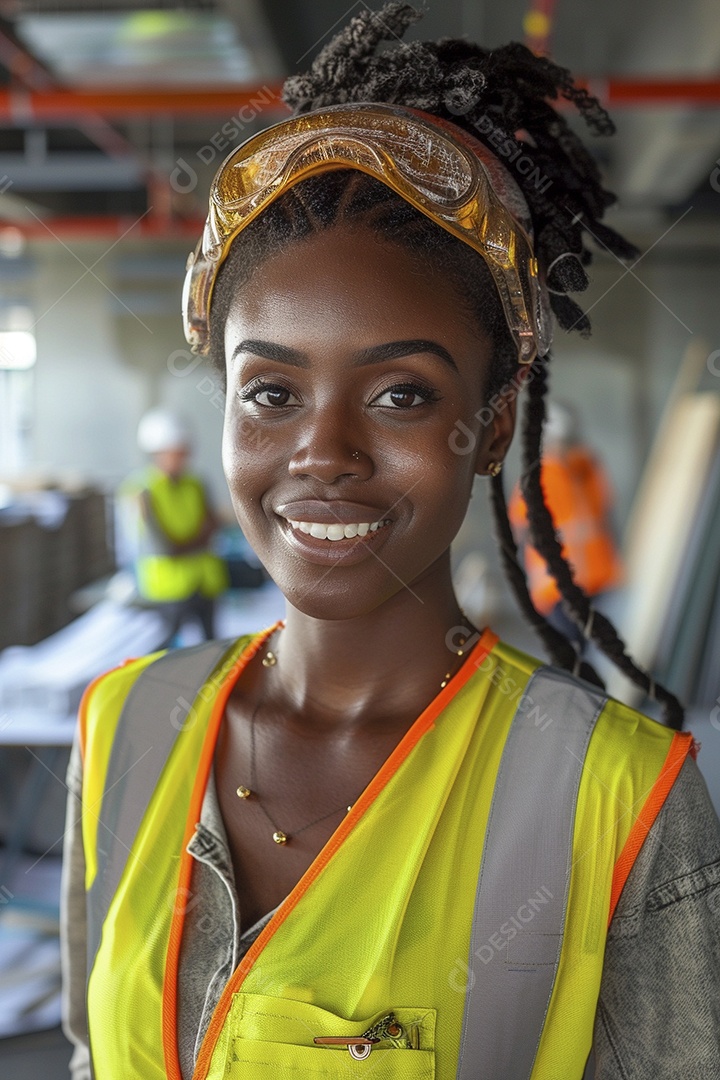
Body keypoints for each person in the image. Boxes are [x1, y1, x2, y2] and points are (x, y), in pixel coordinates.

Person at [61, 6, 720, 1079]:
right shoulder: (122, 728)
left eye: (402, 393)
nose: (322, 453)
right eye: (270, 391)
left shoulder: (617, 801)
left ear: (492, 424)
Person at [508, 399, 624, 651]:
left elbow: (603, 516)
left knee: (602, 660)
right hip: (558, 591)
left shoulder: (586, 467)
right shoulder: (537, 479)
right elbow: (521, 534)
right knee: (574, 663)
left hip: (599, 582)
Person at [118, 407, 229, 642]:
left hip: (205, 580)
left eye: (185, 451)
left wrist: (187, 545)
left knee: (212, 647)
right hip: (167, 588)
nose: (183, 457)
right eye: (175, 451)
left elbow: (213, 527)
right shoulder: (142, 490)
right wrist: (198, 542)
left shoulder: (197, 483)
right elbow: (161, 547)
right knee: (166, 651)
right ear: (157, 452)